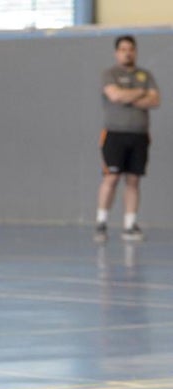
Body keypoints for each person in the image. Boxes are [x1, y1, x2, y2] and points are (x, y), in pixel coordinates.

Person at [95, 34, 161, 243]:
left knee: (133, 180)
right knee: (111, 178)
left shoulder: (145, 75)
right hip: (115, 134)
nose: (127, 53)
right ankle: (101, 222)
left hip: (139, 135)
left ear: (135, 51)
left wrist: (128, 96)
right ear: (117, 53)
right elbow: (115, 96)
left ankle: (129, 225)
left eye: (130, 49)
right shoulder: (110, 74)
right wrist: (140, 94)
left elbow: (154, 100)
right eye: (123, 49)